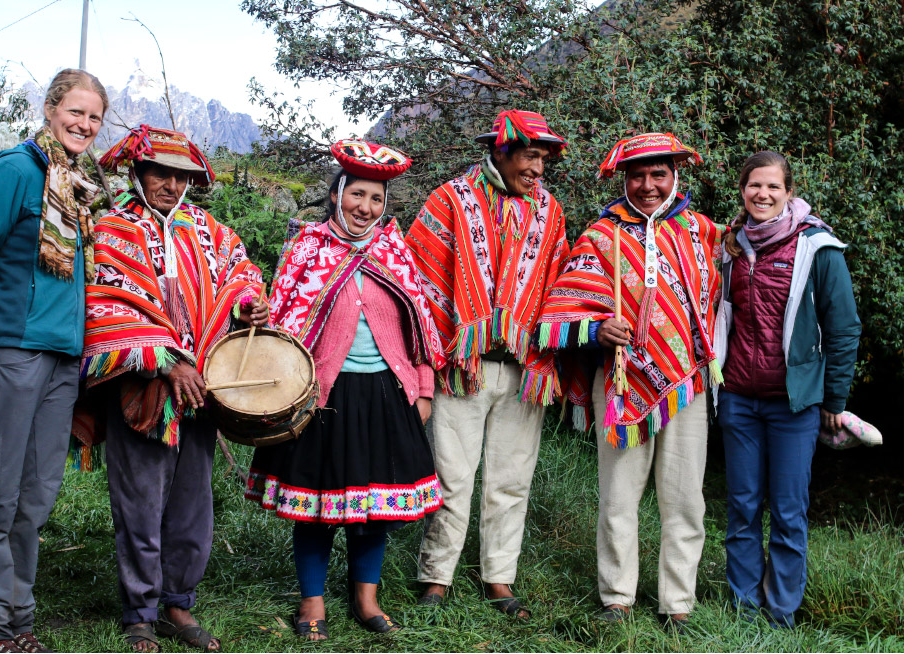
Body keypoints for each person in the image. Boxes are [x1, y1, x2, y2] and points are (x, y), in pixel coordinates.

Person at [246, 139, 446, 640]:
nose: (366, 208)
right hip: (322, 394)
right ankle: (312, 601)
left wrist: (422, 389)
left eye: (377, 199)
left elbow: (418, 325)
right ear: (338, 194)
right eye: (358, 195)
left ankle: (366, 598)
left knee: (374, 506)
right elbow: (284, 318)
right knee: (317, 506)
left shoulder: (393, 250)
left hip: (384, 393)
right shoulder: (306, 248)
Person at [82, 125, 268, 652]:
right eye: (159, 172)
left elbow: (240, 274)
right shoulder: (113, 230)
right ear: (138, 173)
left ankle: (178, 604)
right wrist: (165, 361)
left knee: (192, 503)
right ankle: (140, 611)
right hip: (144, 392)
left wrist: (251, 300)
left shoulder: (208, 229)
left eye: (180, 175)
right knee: (140, 504)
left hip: (201, 393)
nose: (169, 183)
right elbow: (106, 305)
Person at [0, 68, 107, 654]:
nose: (84, 125)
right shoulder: (16, 170)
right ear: (50, 107)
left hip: (62, 362)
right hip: (10, 356)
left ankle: (17, 620)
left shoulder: (79, 188)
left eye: (94, 117)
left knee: (35, 499)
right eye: (76, 111)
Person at [537, 132, 724, 630]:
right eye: (638, 176)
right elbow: (562, 307)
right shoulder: (601, 235)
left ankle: (676, 603)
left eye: (657, 175)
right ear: (625, 179)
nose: (647, 186)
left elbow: (728, 290)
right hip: (619, 383)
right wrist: (598, 329)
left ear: (673, 176)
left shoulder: (701, 232)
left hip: (686, 382)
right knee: (618, 495)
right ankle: (616, 597)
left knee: (684, 498)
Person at [405, 110, 570, 618]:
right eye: (530, 156)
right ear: (501, 151)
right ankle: (437, 574)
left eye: (543, 159)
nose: (538, 169)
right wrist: (434, 357)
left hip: (525, 367)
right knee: (452, 475)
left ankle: (499, 575)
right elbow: (420, 276)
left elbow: (559, 284)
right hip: (465, 364)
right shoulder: (450, 199)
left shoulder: (550, 211)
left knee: (511, 477)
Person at [713, 151, 860, 627]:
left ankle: (781, 613)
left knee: (790, 511)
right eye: (755, 185)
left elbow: (844, 329)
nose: (763, 194)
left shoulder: (819, 249)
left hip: (794, 405)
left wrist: (834, 400)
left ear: (789, 192)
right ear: (742, 190)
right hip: (738, 397)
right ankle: (743, 604)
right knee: (742, 506)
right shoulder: (730, 248)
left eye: (774, 187)